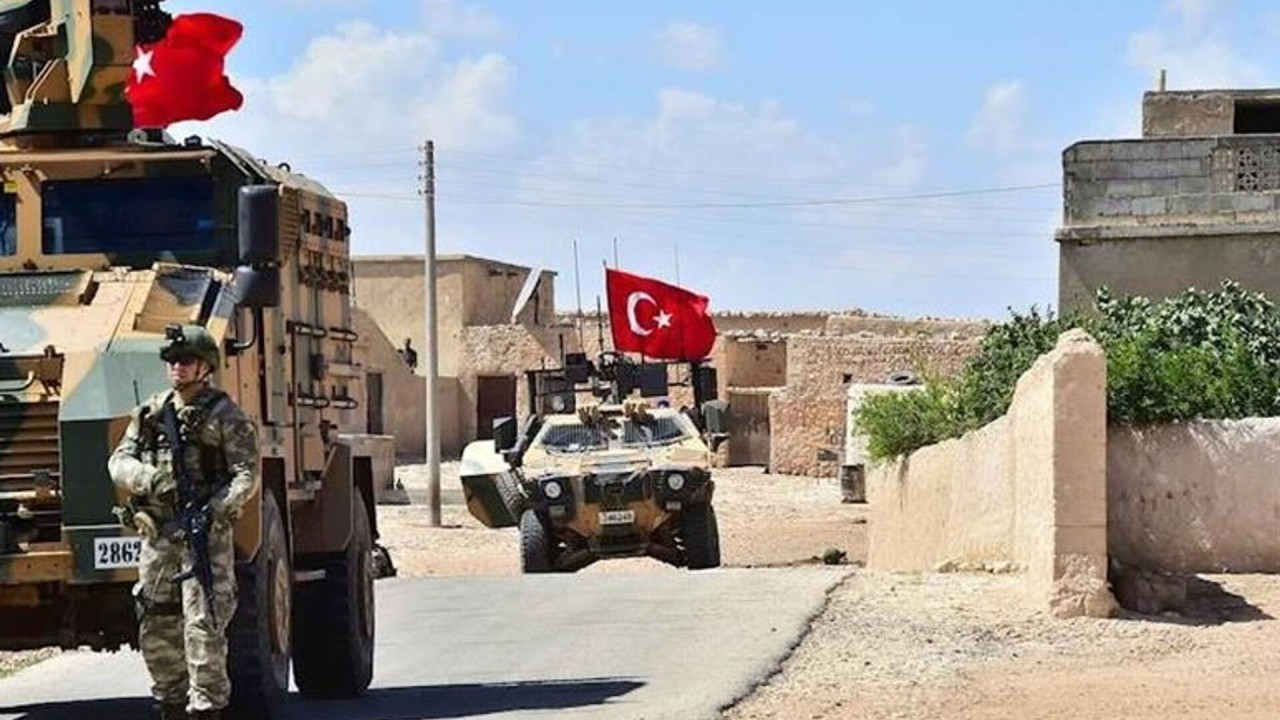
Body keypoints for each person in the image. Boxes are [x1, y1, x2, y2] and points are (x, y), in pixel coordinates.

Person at [108, 324, 259, 720]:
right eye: (172, 361)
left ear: (205, 367)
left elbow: (246, 474)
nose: (177, 367)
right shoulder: (151, 413)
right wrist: (149, 479)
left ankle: (206, 708)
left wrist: (217, 509)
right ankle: (171, 703)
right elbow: (118, 462)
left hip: (204, 536)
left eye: (186, 360)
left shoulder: (224, 415)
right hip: (159, 534)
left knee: (203, 624)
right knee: (155, 623)